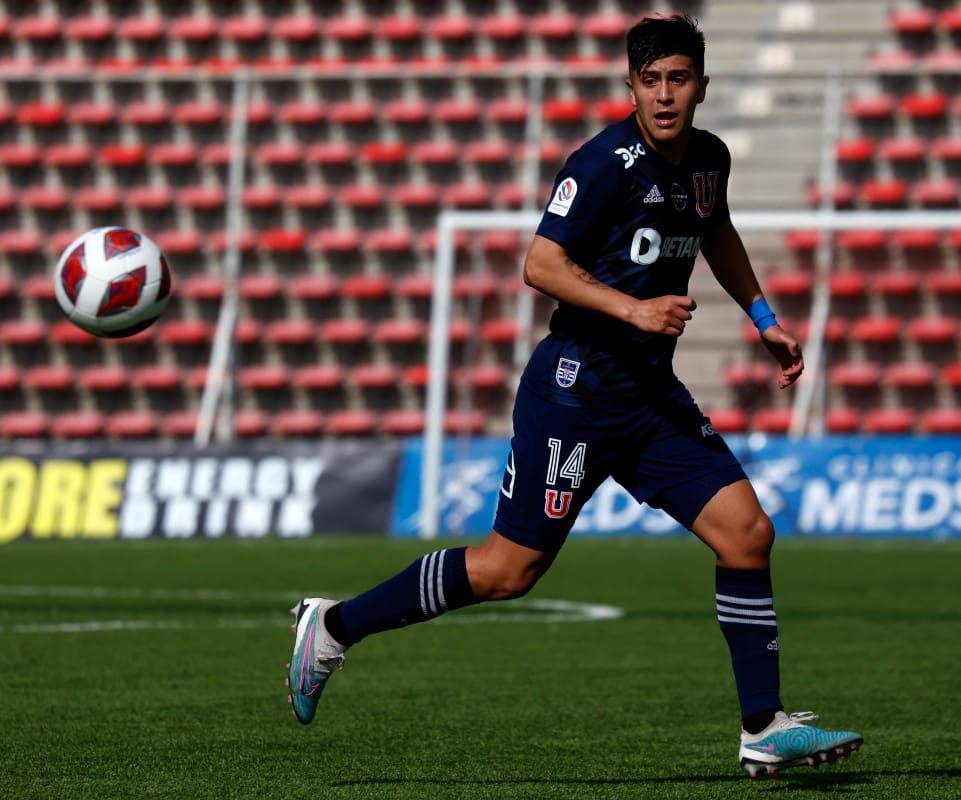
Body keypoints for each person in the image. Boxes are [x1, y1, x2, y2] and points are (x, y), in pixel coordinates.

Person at [286, 14, 863, 778]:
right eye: (650, 82)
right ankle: (332, 626)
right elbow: (540, 263)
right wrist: (634, 309)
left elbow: (715, 228)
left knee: (747, 534)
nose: (665, 96)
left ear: (701, 87)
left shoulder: (711, 159)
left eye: (679, 80)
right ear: (630, 87)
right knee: (506, 572)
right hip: (576, 393)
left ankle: (763, 726)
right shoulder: (602, 164)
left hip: (649, 396)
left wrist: (764, 319)